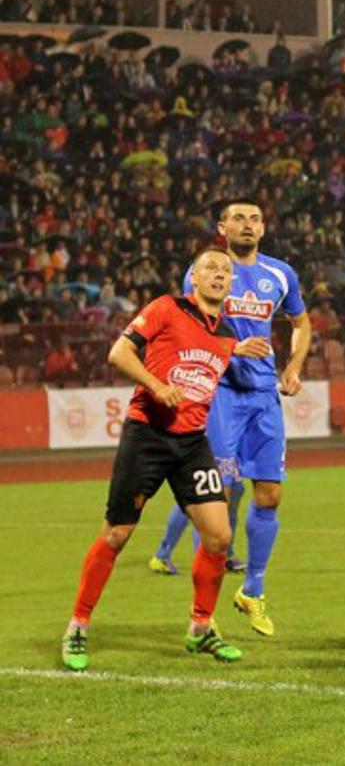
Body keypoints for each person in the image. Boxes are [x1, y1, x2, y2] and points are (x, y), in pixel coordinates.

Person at [60, 248, 251, 670]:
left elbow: (206, 381)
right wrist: (156, 385)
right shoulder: (167, 307)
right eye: (210, 268)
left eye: (226, 270)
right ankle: (78, 626)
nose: (219, 274)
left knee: (218, 536)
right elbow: (119, 353)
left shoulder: (227, 334)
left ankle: (200, 628)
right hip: (147, 434)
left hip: (192, 444)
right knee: (117, 534)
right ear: (193, 278)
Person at [148, 199, 311, 640]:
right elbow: (189, 326)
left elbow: (302, 323)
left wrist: (294, 365)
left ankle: (253, 590)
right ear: (222, 227)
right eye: (238, 218)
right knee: (214, 498)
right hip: (219, 393)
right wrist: (231, 349)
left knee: (270, 494)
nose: (248, 225)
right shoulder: (207, 271)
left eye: (255, 218)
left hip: (264, 395)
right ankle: (205, 609)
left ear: (264, 228)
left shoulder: (280, 274)